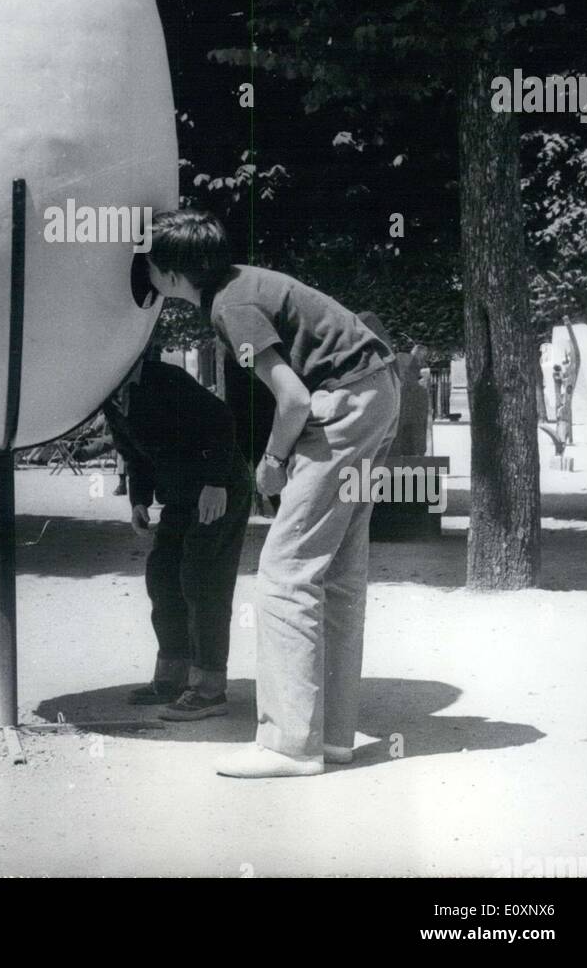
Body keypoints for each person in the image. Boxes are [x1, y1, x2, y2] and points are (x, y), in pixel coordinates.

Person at [146, 211, 400, 777]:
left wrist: (273, 463)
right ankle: (331, 737)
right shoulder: (242, 281)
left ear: (167, 273)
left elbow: (292, 399)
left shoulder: (228, 307)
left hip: (340, 405)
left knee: (285, 575)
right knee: (336, 574)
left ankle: (289, 745)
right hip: (375, 392)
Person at [103, 340, 253, 719]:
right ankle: (173, 676)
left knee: (201, 579)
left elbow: (221, 419)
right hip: (181, 495)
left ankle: (209, 689)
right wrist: (138, 500)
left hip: (218, 487)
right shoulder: (110, 396)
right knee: (163, 576)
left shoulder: (165, 379)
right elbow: (134, 454)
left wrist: (216, 482)